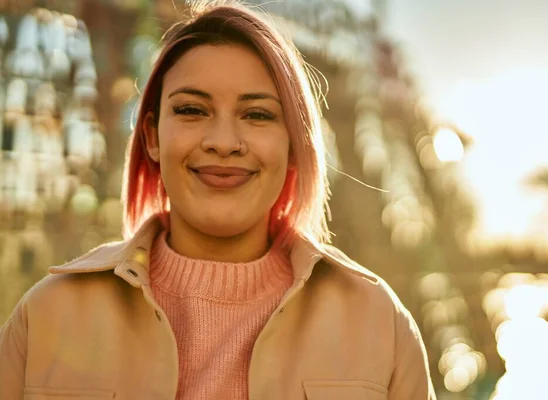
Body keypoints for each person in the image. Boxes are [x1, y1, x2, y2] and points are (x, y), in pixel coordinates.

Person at [0, 2, 435, 399]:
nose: (224, 142)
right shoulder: (43, 318)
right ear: (151, 136)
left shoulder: (380, 324)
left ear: (294, 146)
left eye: (258, 114)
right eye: (192, 110)